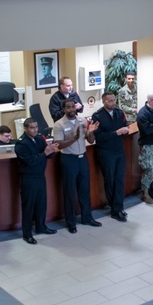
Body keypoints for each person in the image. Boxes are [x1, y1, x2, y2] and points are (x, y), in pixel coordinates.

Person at [52, 100, 102, 234]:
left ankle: (87, 217)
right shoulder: (58, 125)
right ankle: (71, 222)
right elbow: (59, 145)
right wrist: (75, 137)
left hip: (83, 158)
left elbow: (90, 140)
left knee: (85, 190)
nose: (71, 109)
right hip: (69, 159)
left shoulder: (82, 121)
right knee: (69, 192)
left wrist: (91, 132)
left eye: (73, 107)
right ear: (63, 109)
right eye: (68, 107)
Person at [15, 118, 58, 244]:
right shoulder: (21, 144)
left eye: (36, 127)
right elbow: (30, 161)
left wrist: (51, 150)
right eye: (32, 128)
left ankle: (41, 226)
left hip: (40, 176)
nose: (35, 130)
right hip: (28, 178)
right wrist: (45, 153)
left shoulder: (39, 138)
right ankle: (27, 233)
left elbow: (47, 154)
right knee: (29, 206)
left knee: (41, 203)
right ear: (25, 128)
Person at [92, 92, 130, 221]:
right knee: (110, 180)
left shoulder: (119, 113)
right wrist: (116, 133)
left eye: (114, 100)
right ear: (104, 102)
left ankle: (119, 207)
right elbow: (99, 137)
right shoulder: (97, 116)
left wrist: (125, 131)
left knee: (119, 180)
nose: (113, 103)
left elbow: (125, 127)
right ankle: (114, 208)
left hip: (119, 150)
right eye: (110, 101)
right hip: (106, 152)